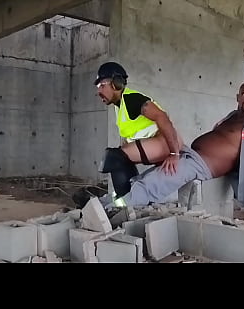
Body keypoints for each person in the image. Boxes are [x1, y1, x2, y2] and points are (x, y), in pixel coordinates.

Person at [102, 81, 244, 219]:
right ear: (238, 97)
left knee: (153, 183)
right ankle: (111, 203)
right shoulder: (232, 116)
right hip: (190, 154)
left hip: (202, 165)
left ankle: (114, 214)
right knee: (144, 176)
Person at [72, 61, 183, 207]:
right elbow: (131, 136)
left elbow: (162, 117)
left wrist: (174, 154)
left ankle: (127, 203)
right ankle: (129, 198)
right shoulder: (119, 106)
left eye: (101, 85)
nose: (98, 91)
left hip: (167, 142)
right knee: (118, 158)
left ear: (115, 83)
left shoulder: (132, 99)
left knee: (114, 157)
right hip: (156, 143)